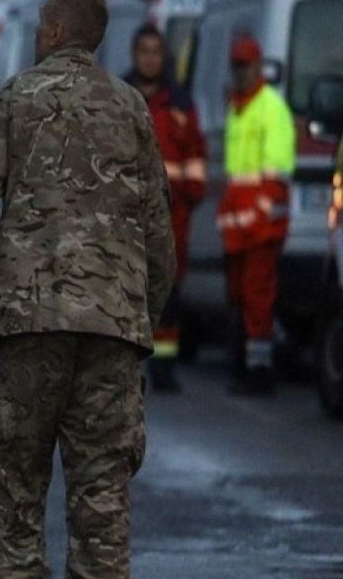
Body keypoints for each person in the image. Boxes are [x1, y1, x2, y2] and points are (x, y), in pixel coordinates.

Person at [0, 0, 175, 579]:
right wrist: (140, 317)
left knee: (15, 480)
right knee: (102, 489)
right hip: (112, 328)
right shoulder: (129, 107)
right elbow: (159, 231)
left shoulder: (16, 99)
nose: (39, 33)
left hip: (29, 323)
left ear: (57, 32)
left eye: (44, 23)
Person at [122, 24, 207, 392]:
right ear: (134, 54)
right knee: (126, 292)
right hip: (124, 215)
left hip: (171, 217)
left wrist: (191, 194)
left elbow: (195, 155)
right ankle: (125, 367)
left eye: (156, 51)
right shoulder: (119, 96)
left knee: (168, 294)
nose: (150, 59)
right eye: (144, 51)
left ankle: (165, 368)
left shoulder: (180, 103)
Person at [217, 35, 295, 396]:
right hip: (241, 227)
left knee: (256, 297)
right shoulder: (238, 109)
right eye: (236, 66)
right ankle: (250, 364)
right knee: (240, 297)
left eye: (245, 66)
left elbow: (275, 175)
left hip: (261, 228)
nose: (240, 72)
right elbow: (236, 176)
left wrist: (256, 216)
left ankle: (260, 371)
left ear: (258, 67)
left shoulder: (270, 108)